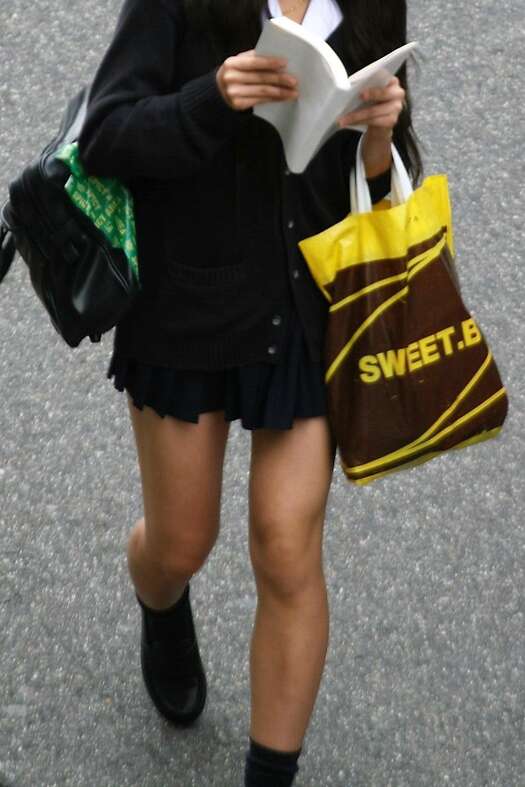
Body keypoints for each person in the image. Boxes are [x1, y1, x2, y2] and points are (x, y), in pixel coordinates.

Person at [78, 0, 422, 783]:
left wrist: (378, 134)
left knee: (287, 546)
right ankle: (161, 603)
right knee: (181, 542)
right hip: (187, 303)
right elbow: (106, 136)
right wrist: (212, 96)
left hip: (302, 311)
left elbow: (382, 180)